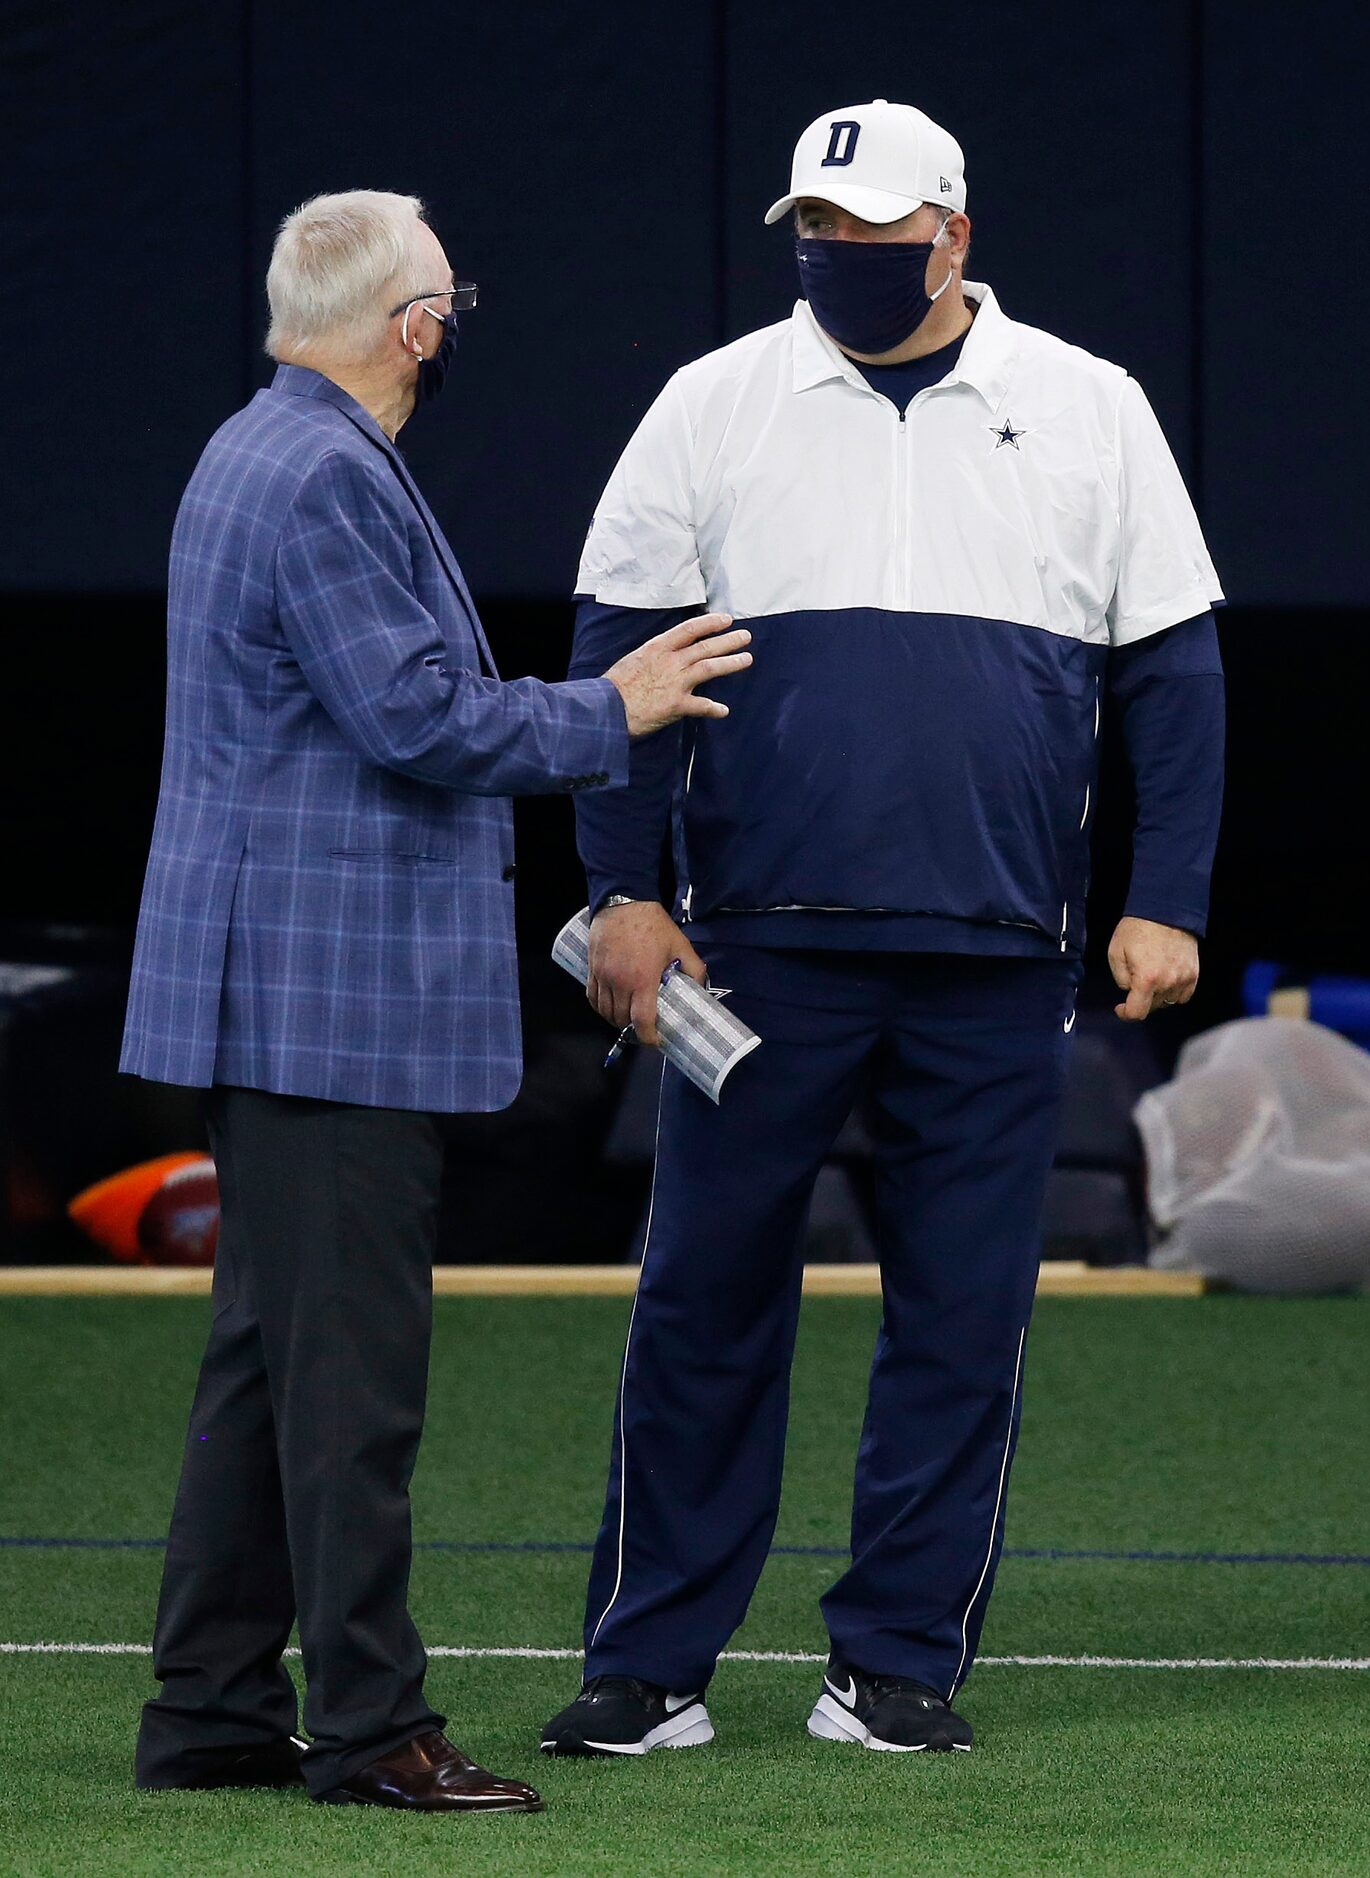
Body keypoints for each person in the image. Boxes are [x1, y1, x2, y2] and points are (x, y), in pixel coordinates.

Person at [542, 101, 1224, 1759]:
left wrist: (1168, 896)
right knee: (703, 1298)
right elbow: (618, 662)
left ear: (954, 234)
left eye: (870, 230)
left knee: (964, 1314)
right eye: (817, 231)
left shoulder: (1093, 406)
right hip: (752, 953)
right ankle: (651, 1665)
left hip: (999, 952)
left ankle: (898, 1659)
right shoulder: (713, 402)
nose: (838, 257)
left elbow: (1177, 671)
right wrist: (621, 890)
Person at [120, 189, 751, 1811]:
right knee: (347, 1387)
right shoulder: (326, 469)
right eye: (445, 297)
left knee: (272, 1361)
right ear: (415, 326)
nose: (453, 320)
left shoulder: (256, 449)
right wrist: (612, 706)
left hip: (275, 990)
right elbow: (417, 718)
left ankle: (208, 1705)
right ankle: (372, 1727)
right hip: (324, 1002)